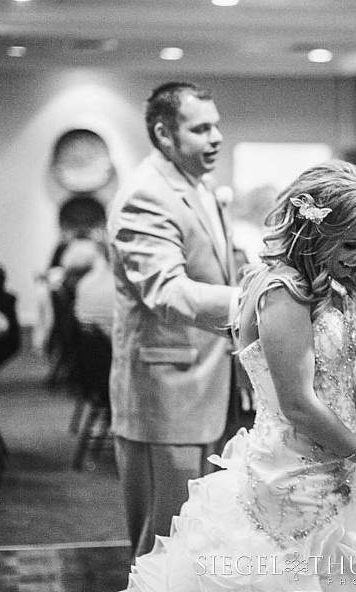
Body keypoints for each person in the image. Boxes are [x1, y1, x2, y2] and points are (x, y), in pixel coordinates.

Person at [124, 161, 356, 591]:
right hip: (291, 483)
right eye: (351, 245)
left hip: (335, 465)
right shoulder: (285, 291)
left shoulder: (326, 268)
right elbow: (298, 405)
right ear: (316, 234)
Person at [108, 81, 239, 558]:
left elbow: (213, 268)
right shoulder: (146, 195)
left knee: (196, 543)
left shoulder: (196, 185)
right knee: (162, 547)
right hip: (165, 399)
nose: (216, 137)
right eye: (201, 128)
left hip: (206, 389)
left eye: (216, 126)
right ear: (164, 134)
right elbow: (165, 290)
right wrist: (255, 302)